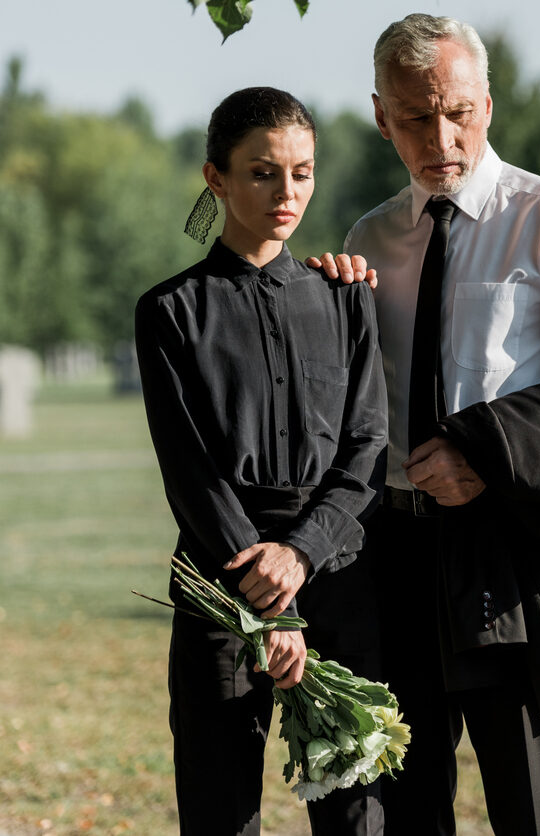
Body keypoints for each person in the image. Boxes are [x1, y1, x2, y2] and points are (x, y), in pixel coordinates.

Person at [315, 13, 540, 836]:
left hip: (515, 549)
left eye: (459, 110)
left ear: (488, 106)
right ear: (380, 115)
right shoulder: (370, 240)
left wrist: (486, 453)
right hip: (397, 557)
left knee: (531, 812)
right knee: (403, 806)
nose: (442, 136)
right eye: (416, 115)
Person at [134, 87, 387, 836]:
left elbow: (366, 446)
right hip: (221, 580)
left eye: (302, 173)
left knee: (357, 816)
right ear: (216, 178)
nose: (287, 193)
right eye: (262, 173)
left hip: (340, 575)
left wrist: (302, 556)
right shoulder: (170, 312)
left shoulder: (347, 299)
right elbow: (191, 472)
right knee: (221, 814)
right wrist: (264, 597)